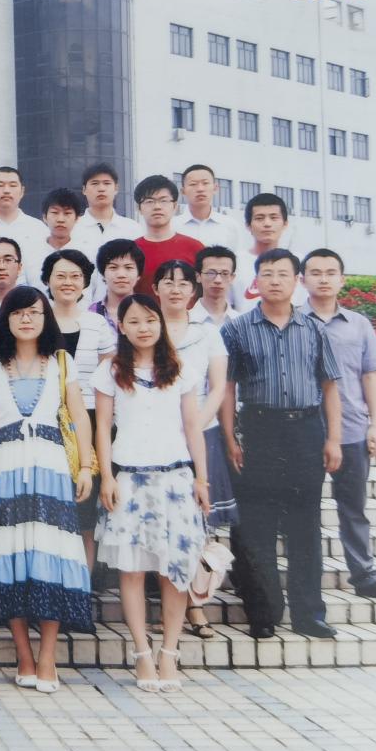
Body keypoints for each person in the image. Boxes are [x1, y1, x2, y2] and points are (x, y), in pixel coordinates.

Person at [0, 286, 95, 691]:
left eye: (35, 313)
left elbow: (79, 416)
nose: (26, 319)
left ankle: (47, 658)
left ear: (46, 319)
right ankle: (24, 655)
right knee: (8, 556)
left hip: (51, 468)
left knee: (49, 555)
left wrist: (86, 467)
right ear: (5, 318)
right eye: (18, 312)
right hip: (2, 468)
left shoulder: (62, 362)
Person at [220, 248, 342, 640]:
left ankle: (309, 614)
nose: (275, 280)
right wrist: (230, 437)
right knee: (257, 526)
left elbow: (330, 386)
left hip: (305, 431)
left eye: (283, 274)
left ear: (297, 281)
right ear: (256, 281)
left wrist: (333, 439)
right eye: (267, 273)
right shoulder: (237, 329)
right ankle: (264, 612)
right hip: (259, 431)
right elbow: (227, 388)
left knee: (304, 525)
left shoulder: (315, 329)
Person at [93, 293, 210, 692]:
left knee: (174, 571)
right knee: (132, 570)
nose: (143, 328)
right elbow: (102, 428)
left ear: (160, 323)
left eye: (150, 320)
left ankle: (169, 653)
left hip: (175, 479)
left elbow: (192, 427)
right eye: (134, 321)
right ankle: (142, 652)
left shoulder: (180, 369)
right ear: (121, 327)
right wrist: (106, 477)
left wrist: (201, 479)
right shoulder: (110, 371)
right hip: (129, 478)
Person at [300, 248, 376, 602]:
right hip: (305, 431)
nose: (323, 279)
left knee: (353, 508)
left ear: (342, 279)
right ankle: (306, 580)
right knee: (302, 511)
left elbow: (369, 376)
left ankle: (365, 576)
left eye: (330, 273)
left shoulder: (358, 324)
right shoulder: (294, 322)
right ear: (302, 280)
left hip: (354, 430)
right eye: (315, 273)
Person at [152, 259, 234, 638]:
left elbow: (218, 387)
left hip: (201, 435)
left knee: (195, 524)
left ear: (193, 289)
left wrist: (195, 426)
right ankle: (168, 604)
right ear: (155, 288)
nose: (175, 289)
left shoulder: (207, 333)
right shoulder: (146, 327)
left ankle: (194, 606)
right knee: (161, 524)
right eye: (167, 282)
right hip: (156, 439)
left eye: (183, 283)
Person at [41, 248, 116, 573]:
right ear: (47, 280)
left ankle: (82, 586)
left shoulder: (96, 323)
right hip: (47, 419)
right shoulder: (39, 319)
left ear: (85, 282)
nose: (68, 282)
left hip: (89, 419)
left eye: (75, 276)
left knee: (84, 508)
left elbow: (109, 372)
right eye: (60, 276)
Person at [132, 174, 204, 296]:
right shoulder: (131, 250)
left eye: (164, 201)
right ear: (139, 208)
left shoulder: (195, 247)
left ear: (175, 206)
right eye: (149, 201)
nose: (157, 207)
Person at [233, 193, 308, 308]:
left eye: (274, 218)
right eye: (259, 218)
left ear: (285, 224)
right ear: (248, 225)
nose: (267, 224)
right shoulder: (235, 262)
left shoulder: (302, 262)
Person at [0, 166, 49, 285]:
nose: (6, 190)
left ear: (22, 191)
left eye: (13, 185)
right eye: (0, 185)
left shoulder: (39, 229)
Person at [70, 163, 143, 258]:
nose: (101, 188)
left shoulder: (133, 228)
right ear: (84, 190)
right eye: (95, 183)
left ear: (116, 188)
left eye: (107, 183)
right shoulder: (72, 228)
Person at [175, 164, 244, 251]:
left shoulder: (230, 226)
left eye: (205, 183)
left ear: (215, 188)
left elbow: (237, 257)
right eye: (193, 184)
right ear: (183, 191)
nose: (200, 189)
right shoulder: (172, 226)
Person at [90, 239, 145, 331]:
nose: (121, 275)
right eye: (113, 267)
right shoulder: (91, 313)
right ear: (103, 274)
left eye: (128, 267)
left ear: (138, 275)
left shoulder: (150, 311)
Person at [192, 245, 242, 326]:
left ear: (232, 278)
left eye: (225, 274)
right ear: (198, 276)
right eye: (211, 273)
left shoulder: (243, 323)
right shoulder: (186, 320)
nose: (218, 280)